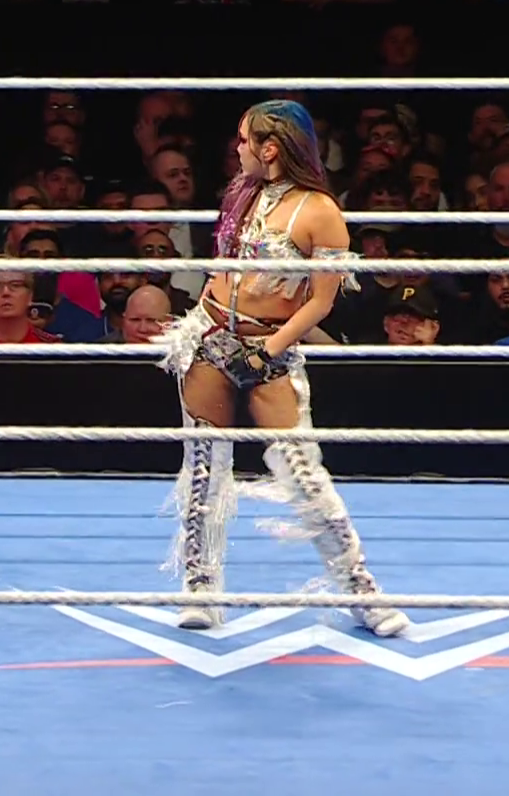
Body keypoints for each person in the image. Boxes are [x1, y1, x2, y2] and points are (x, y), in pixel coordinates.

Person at [153, 100, 408, 637]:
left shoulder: (320, 211)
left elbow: (322, 301)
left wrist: (268, 350)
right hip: (211, 338)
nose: (237, 148)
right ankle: (200, 586)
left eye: (244, 139)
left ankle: (361, 591)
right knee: (203, 469)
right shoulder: (241, 194)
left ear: (270, 148)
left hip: (270, 348)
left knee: (302, 472)